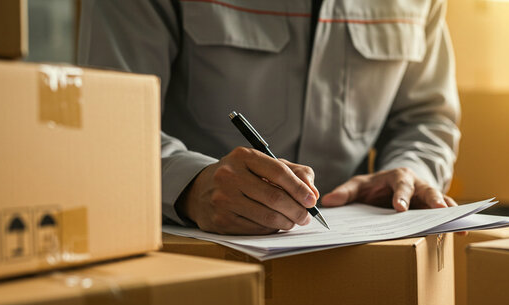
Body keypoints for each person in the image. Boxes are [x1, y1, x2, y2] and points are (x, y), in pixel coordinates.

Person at [78, 0, 461, 235]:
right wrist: (191, 186)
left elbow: (426, 117)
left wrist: (411, 170)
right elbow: (106, 122)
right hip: (189, 260)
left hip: (358, 258)